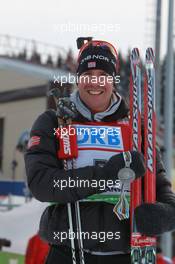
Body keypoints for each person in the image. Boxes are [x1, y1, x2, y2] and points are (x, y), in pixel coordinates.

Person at [24, 38, 175, 264]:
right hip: (68, 253)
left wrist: (166, 214)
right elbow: (42, 184)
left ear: (113, 79)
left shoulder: (135, 128)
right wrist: (104, 175)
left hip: (126, 255)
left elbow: (161, 186)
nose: (95, 83)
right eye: (88, 75)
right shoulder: (53, 122)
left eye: (103, 76)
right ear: (78, 78)